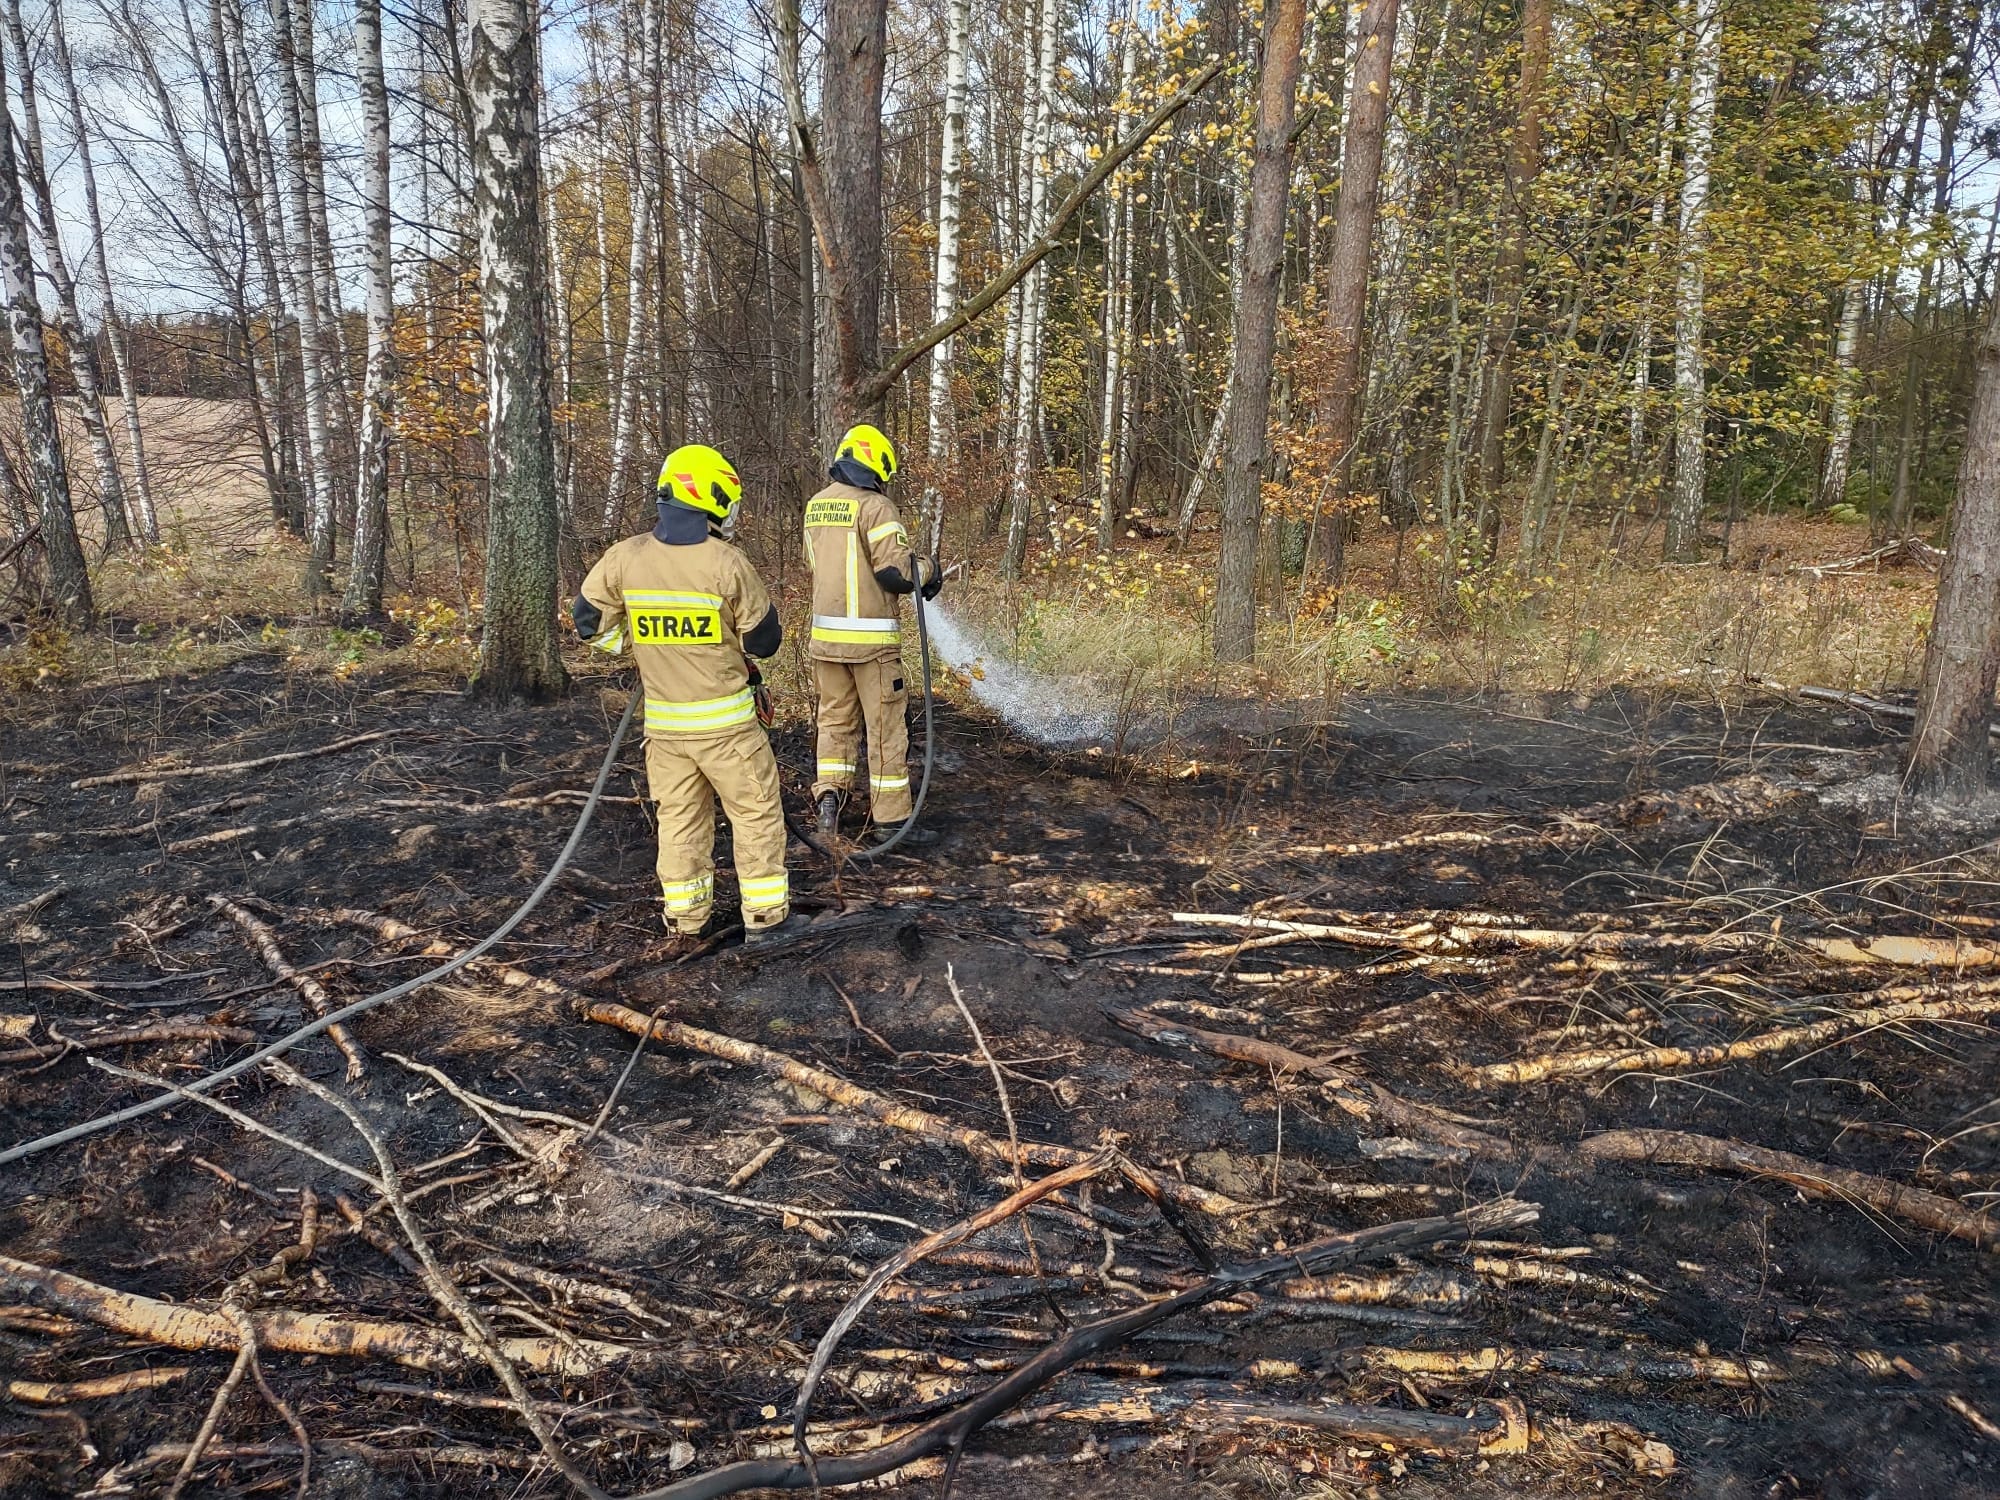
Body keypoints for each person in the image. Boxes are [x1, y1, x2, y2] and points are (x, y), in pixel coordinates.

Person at [575, 444, 806, 945]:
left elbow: (587, 622)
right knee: (756, 816)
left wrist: (640, 646)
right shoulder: (726, 562)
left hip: (665, 733)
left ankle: (686, 922)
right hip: (729, 731)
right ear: (713, 498)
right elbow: (763, 642)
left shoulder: (625, 558)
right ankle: (766, 920)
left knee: (679, 823)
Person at [803, 423, 942, 845]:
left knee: (834, 722)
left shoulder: (816, 505)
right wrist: (929, 570)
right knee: (885, 731)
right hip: (872, 648)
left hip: (826, 643)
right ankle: (892, 822)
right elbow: (895, 572)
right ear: (876, 465)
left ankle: (830, 803)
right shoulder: (876, 507)